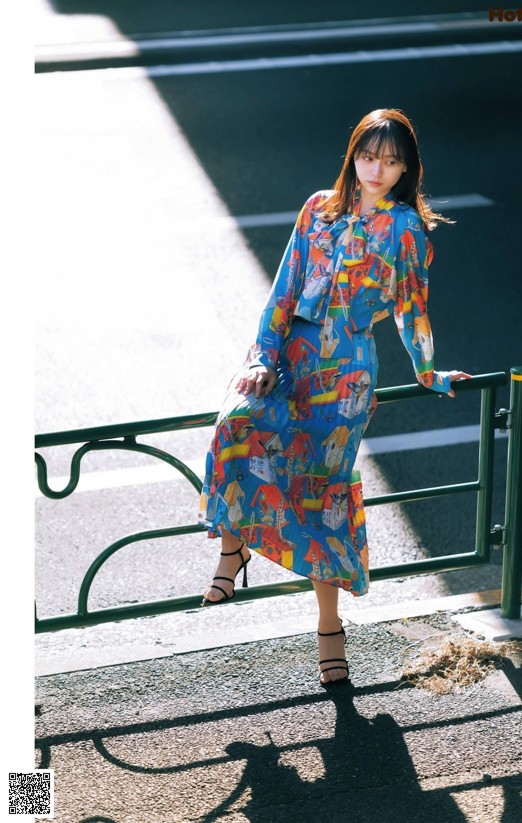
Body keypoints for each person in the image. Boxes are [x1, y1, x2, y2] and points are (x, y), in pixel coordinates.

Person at [198, 108, 470, 687]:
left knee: (321, 496)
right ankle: (234, 548)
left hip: (347, 376)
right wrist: (260, 359)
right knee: (235, 427)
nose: (377, 169)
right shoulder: (318, 208)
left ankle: (329, 629)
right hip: (291, 360)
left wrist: (428, 373)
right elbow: (283, 290)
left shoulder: (405, 229)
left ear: (406, 169)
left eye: (391, 161)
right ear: (354, 155)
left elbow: (411, 309)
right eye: (369, 156)